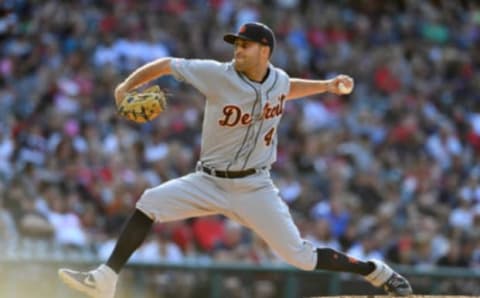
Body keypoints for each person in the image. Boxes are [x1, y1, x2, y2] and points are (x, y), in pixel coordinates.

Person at [58, 22, 413, 298]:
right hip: (208, 181)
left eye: (245, 45)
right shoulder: (217, 74)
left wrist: (326, 86)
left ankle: (374, 271)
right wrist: (125, 86)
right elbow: (167, 65)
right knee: (150, 202)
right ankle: (105, 279)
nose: (237, 51)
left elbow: (288, 88)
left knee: (301, 258)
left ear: (265, 51)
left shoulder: (278, 80)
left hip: (254, 186)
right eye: (236, 45)